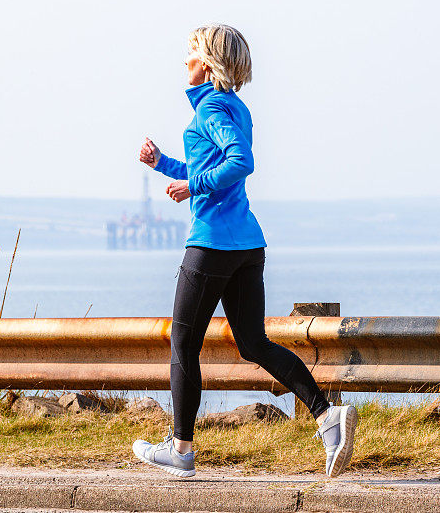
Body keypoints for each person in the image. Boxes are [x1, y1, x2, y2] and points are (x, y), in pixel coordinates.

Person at [131, 23, 358, 478]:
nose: (184, 61)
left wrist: (190, 184)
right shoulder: (235, 106)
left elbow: (240, 163)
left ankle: (181, 449)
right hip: (247, 244)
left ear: (209, 64)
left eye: (191, 53)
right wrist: (163, 165)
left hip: (212, 243)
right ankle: (327, 417)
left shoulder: (212, 106)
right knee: (253, 343)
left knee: (182, 343)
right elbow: (212, 166)